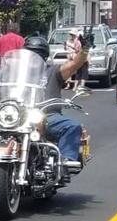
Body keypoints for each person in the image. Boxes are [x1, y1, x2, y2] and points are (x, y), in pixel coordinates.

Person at [24, 31, 89, 168]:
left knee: (72, 126)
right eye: (30, 54)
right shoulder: (18, 74)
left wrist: (85, 49)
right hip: (19, 116)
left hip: (48, 116)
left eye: (37, 55)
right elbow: (0, 88)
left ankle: (65, 162)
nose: (33, 58)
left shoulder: (53, 71)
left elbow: (75, 64)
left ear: (44, 56)